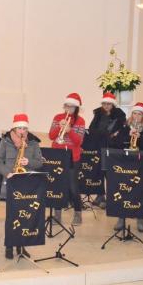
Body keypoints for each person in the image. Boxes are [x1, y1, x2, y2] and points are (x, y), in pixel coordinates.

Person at [0, 114, 43, 260]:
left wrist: (29, 162)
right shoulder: (5, 141)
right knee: (11, 217)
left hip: (27, 183)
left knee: (24, 215)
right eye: (20, 128)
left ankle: (21, 245)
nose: (22, 131)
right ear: (14, 128)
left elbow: (39, 162)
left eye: (25, 128)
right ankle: (9, 246)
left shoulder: (33, 143)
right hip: (10, 182)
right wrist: (7, 173)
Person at [112, 102, 143, 233]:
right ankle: (121, 218)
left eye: (139, 114)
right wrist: (128, 136)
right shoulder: (125, 125)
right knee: (123, 189)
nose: (136, 116)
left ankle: (140, 219)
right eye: (134, 113)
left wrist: (140, 137)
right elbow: (117, 142)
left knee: (139, 191)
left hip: (140, 163)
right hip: (125, 162)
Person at [48, 93, 86, 225]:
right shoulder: (57, 117)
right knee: (56, 185)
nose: (69, 109)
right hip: (57, 156)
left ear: (77, 108)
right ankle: (57, 215)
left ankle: (78, 214)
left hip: (72, 156)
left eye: (72, 107)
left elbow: (79, 142)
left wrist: (69, 130)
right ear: (64, 106)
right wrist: (59, 126)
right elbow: (51, 136)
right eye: (67, 106)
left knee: (73, 187)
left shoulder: (80, 121)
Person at [87, 92, 126, 206]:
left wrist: (110, 134)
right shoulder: (98, 113)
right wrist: (105, 133)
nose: (106, 106)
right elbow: (92, 129)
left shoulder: (119, 115)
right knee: (99, 172)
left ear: (113, 104)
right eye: (104, 103)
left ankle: (112, 197)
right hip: (99, 146)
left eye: (109, 104)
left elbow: (120, 131)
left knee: (110, 173)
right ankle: (100, 196)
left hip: (113, 147)